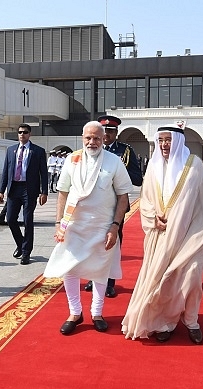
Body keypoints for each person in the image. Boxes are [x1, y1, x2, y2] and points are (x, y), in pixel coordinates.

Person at [122, 125, 203, 344]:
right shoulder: (153, 167)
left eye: (168, 140)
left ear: (177, 141)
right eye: (161, 141)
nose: (164, 145)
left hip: (189, 235)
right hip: (160, 237)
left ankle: (192, 321)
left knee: (192, 279)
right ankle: (165, 322)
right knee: (164, 283)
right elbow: (145, 200)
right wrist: (153, 218)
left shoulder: (194, 165)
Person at [43, 121, 132, 335]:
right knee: (70, 268)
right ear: (82, 138)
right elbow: (63, 192)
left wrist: (115, 226)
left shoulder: (114, 161)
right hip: (74, 224)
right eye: (88, 138)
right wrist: (58, 223)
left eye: (97, 138)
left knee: (100, 270)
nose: (92, 142)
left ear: (104, 139)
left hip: (102, 226)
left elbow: (123, 196)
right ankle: (75, 312)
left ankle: (97, 313)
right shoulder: (72, 160)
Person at [84, 115, 143, 298]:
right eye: (105, 131)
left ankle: (109, 282)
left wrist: (118, 171)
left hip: (116, 206)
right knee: (92, 243)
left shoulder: (125, 152)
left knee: (111, 244)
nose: (107, 135)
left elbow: (137, 179)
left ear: (116, 133)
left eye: (110, 131)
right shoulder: (89, 150)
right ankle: (92, 277)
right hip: (92, 204)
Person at [0, 123, 48, 265]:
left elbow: (43, 173)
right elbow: (6, 171)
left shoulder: (37, 151)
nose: (22, 134)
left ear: (29, 134)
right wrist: (1, 191)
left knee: (27, 220)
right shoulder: (11, 150)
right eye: (20, 132)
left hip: (29, 189)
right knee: (10, 219)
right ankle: (20, 244)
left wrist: (44, 192)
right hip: (14, 188)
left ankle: (26, 252)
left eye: (25, 132)